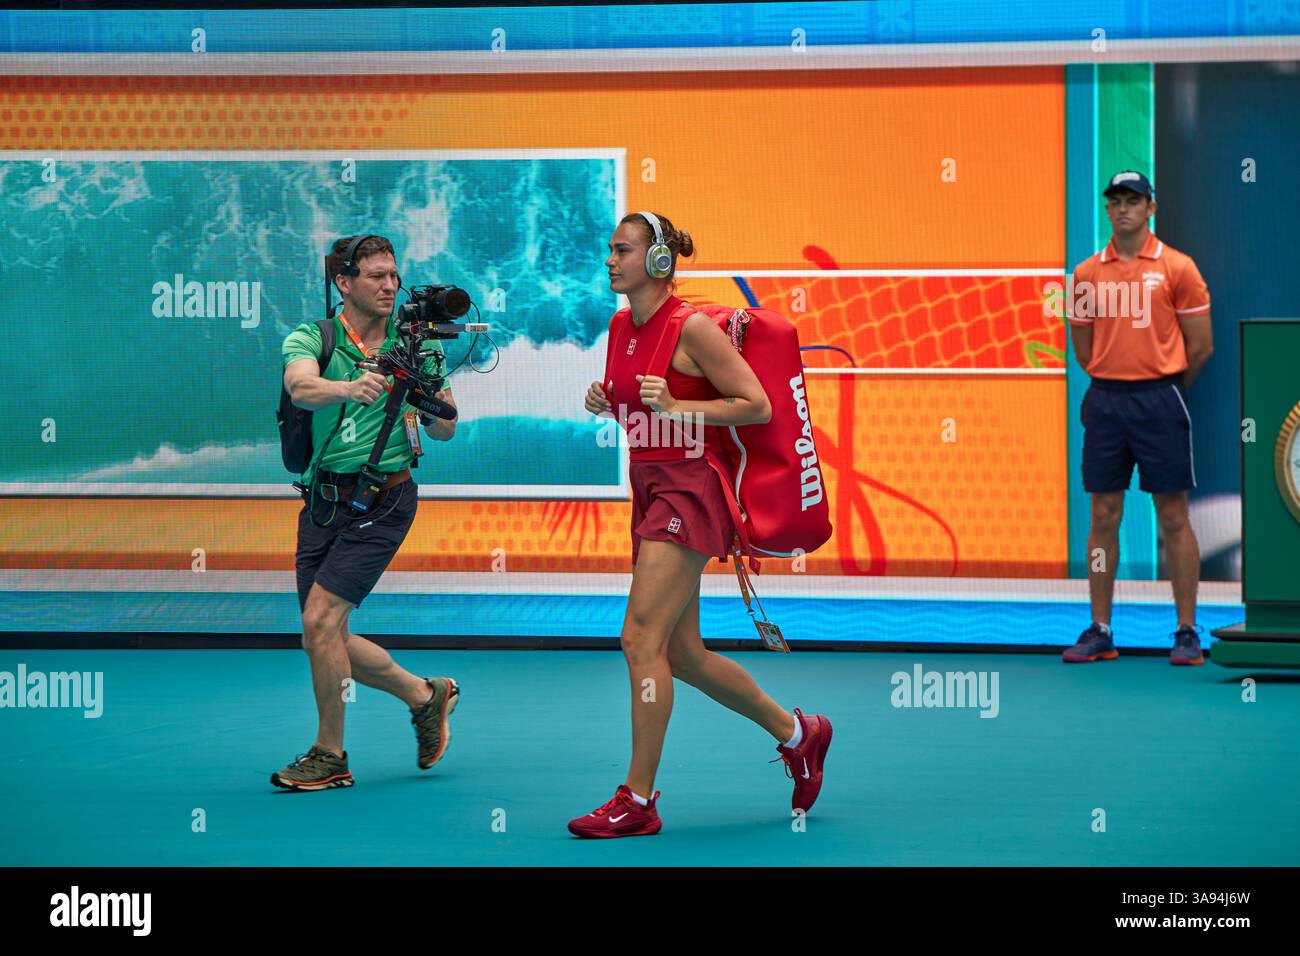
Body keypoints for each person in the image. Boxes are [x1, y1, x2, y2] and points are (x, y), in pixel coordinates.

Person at [568, 211, 832, 837]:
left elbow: (756, 404)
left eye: (622, 250)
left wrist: (680, 405)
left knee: (639, 640)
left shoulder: (690, 327)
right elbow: (644, 407)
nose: (609, 259)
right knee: (681, 652)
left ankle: (637, 800)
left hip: (689, 490)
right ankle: (800, 734)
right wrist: (609, 401)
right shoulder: (618, 325)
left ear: (658, 262)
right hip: (650, 483)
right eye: (609, 249)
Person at [272, 234, 460, 790]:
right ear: (344, 283)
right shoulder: (317, 336)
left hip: (385, 498)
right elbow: (300, 386)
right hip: (323, 501)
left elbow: (447, 428)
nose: (389, 285)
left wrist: (423, 393)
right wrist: (348, 387)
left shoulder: (418, 345)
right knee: (322, 634)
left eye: (394, 275)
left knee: (319, 622)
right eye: (376, 275)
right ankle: (427, 696)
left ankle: (330, 755)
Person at [1064, 172, 1213, 665]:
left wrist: (1158, 384)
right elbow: (1083, 349)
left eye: (1133, 200)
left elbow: (1201, 346)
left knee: (1173, 515)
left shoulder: (1178, 268)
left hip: (1160, 401)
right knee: (1103, 516)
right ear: (1108, 210)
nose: (1123, 208)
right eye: (1116, 201)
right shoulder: (1086, 275)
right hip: (1106, 402)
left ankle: (1187, 631)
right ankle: (1101, 628)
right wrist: (1116, 377)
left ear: (1151, 207)